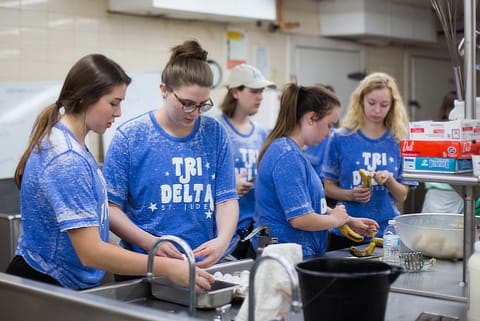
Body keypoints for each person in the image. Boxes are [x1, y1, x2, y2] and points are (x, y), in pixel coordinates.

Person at [5, 54, 214, 291]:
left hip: (56, 282)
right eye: (113, 103)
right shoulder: (67, 158)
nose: (118, 112)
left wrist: (153, 249)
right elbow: (91, 253)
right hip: (46, 284)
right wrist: (166, 267)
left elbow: (93, 240)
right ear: (86, 99)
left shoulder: (71, 144)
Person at [102, 40, 239, 270]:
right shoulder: (132, 136)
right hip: (146, 267)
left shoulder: (214, 133)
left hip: (201, 264)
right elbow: (110, 207)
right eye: (186, 103)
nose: (194, 113)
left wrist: (222, 240)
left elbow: (226, 198)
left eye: (202, 105)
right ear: (164, 90)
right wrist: (150, 243)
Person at [255, 83, 378, 258]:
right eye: (329, 125)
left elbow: (307, 205)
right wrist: (335, 220)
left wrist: (348, 220)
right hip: (287, 258)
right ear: (311, 118)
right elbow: (300, 218)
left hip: (298, 254)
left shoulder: (292, 151)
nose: (330, 133)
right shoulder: (287, 156)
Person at [321, 72, 417, 251]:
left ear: (393, 106)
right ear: (361, 101)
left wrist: (389, 180)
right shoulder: (340, 138)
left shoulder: (400, 141)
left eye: (384, 105)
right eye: (372, 103)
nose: (377, 110)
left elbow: (402, 195)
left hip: (385, 232)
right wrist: (350, 194)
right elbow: (327, 187)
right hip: (345, 230)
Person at [216, 64, 275, 259]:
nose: (260, 97)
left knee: (262, 271)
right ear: (235, 92)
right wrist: (229, 185)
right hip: (228, 227)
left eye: (262, 91)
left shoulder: (260, 132)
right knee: (231, 277)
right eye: (254, 91)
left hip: (259, 224)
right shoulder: (217, 128)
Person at [421, 90, 464, 214]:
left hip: (437, 196)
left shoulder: (432, 131)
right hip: (454, 195)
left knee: (431, 232)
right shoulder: (459, 134)